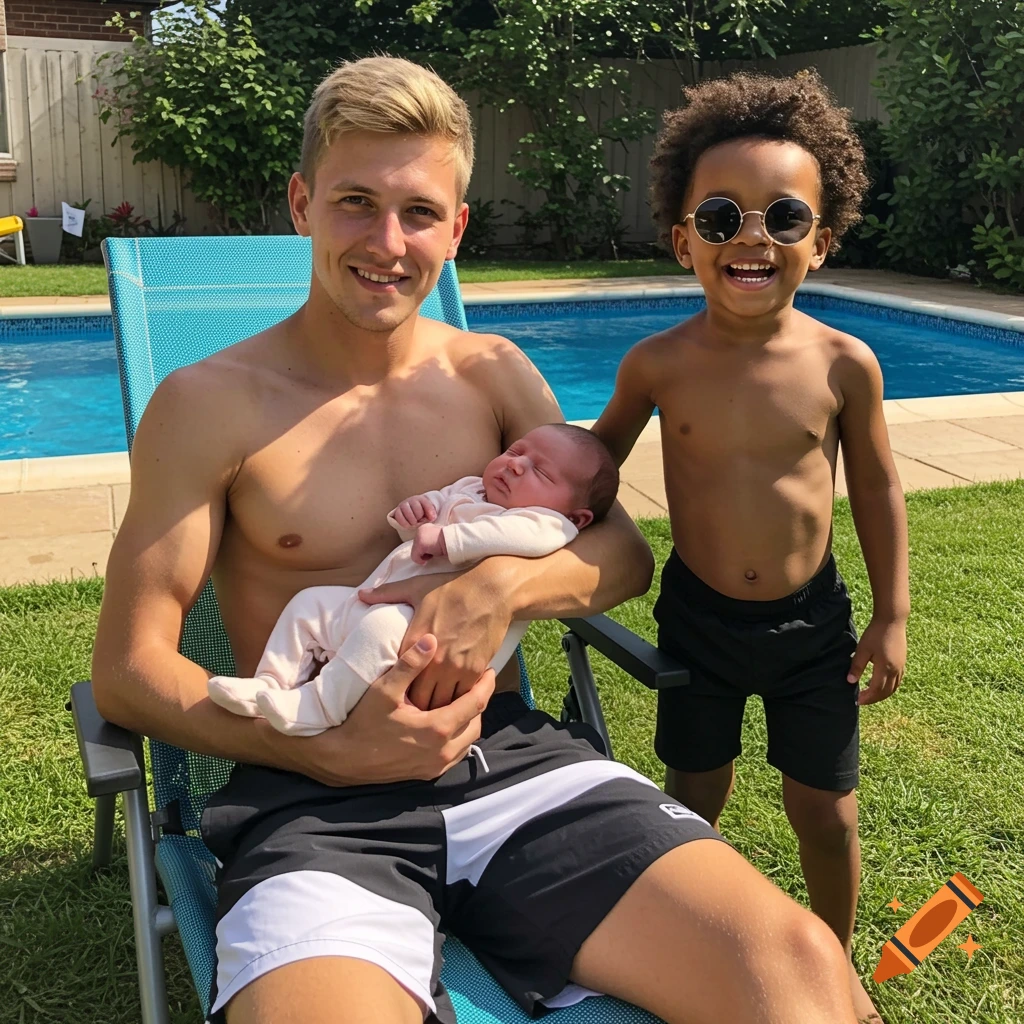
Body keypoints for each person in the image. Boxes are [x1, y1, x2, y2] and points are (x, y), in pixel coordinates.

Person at [92, 56, 861, 1024]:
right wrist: (329, 756)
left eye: (418, 212)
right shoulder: (207, 404)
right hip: (311, 792)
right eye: (354, 203)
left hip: (510, 762)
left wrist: (501, 590)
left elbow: (620, 554)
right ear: (301, 203)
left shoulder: (491, 371)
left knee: (793, 968)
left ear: (456, 228)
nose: (387, 241)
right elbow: (126, 669)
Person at [592, 70, 910, 1024]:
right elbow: (594, 464)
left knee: (826, 808)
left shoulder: (844, 364)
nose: (751, 238)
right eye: (723, 215)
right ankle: (694, 944)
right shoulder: (657, 363)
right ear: (683, 236)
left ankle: (837, 963)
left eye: (782, 217)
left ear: (823, 237)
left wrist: (891, 614)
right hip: (699, 617)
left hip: (814, 625)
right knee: (693, 798)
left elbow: (880, 489)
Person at [206, 423, 619, 735]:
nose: (515, 463)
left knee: (381, 628)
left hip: (428, 642)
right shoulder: (472, 490)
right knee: (308, 603)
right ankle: (270, 685)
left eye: (540, 473)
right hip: (373, 602)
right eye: (515, 451)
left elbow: (518, 536)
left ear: (576, 516)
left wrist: (449, 537)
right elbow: (423, 531)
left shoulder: (548, 524)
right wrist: (416, 512)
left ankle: (318, 706)